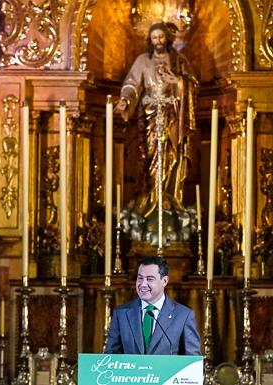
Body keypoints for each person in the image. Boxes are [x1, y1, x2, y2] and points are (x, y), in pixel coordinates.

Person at [114, 22, 197, 220]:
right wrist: (125, 100)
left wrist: (177, 83)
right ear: (149, 41)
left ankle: (170, 198)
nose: (158, 41)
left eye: (161, 37)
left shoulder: (179, 60)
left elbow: (193, 84)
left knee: (172, 155)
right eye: (154, 38)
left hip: (173, 116)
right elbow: (132, 84)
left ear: (167, 38)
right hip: (150, 116)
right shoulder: (143, 61)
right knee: (150, 156)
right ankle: (150, 200)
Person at [104, 256, 201, 355]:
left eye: (150, 279)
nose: (143, 284)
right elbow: (110, 357)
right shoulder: (121, 314)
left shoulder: (184, 316)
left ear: (164, 281)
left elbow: (192, 361)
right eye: (140, 278)